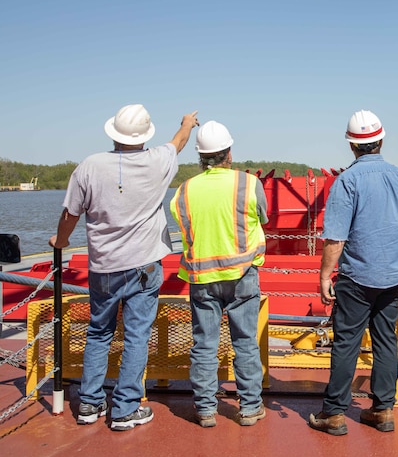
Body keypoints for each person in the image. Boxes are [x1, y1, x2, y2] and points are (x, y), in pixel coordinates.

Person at [50, 104, 199, 431]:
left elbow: (69, 215)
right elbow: (179, 141)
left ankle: (89, 403)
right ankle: (125, 409)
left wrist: (60, 243)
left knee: (99, 332)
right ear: (145, 135)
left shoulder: (89, 166)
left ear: (114, 133)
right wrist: (188, 122)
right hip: (145, 266)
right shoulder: (159, 160)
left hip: (104, 268)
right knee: (136, 336)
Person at [308, 110, 398, 436]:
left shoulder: (347, 181)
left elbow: (336, 239)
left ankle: (334, 414)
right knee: (385, 341)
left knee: (346, 343)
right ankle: (383, 411)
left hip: (356, 278)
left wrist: (324, 277)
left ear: (352, 146)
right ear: (381, 141)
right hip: (396, 277)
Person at [169, 120, 268, 428]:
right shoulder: (248, 183)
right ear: (228, 152)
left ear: (201, 156)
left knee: (204, 345)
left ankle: (205, 410)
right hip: (241, 275)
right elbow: (262, 215)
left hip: (201, 279)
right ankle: (250, 408)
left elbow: (184, 229)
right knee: (245, 342)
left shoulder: (184, 190)